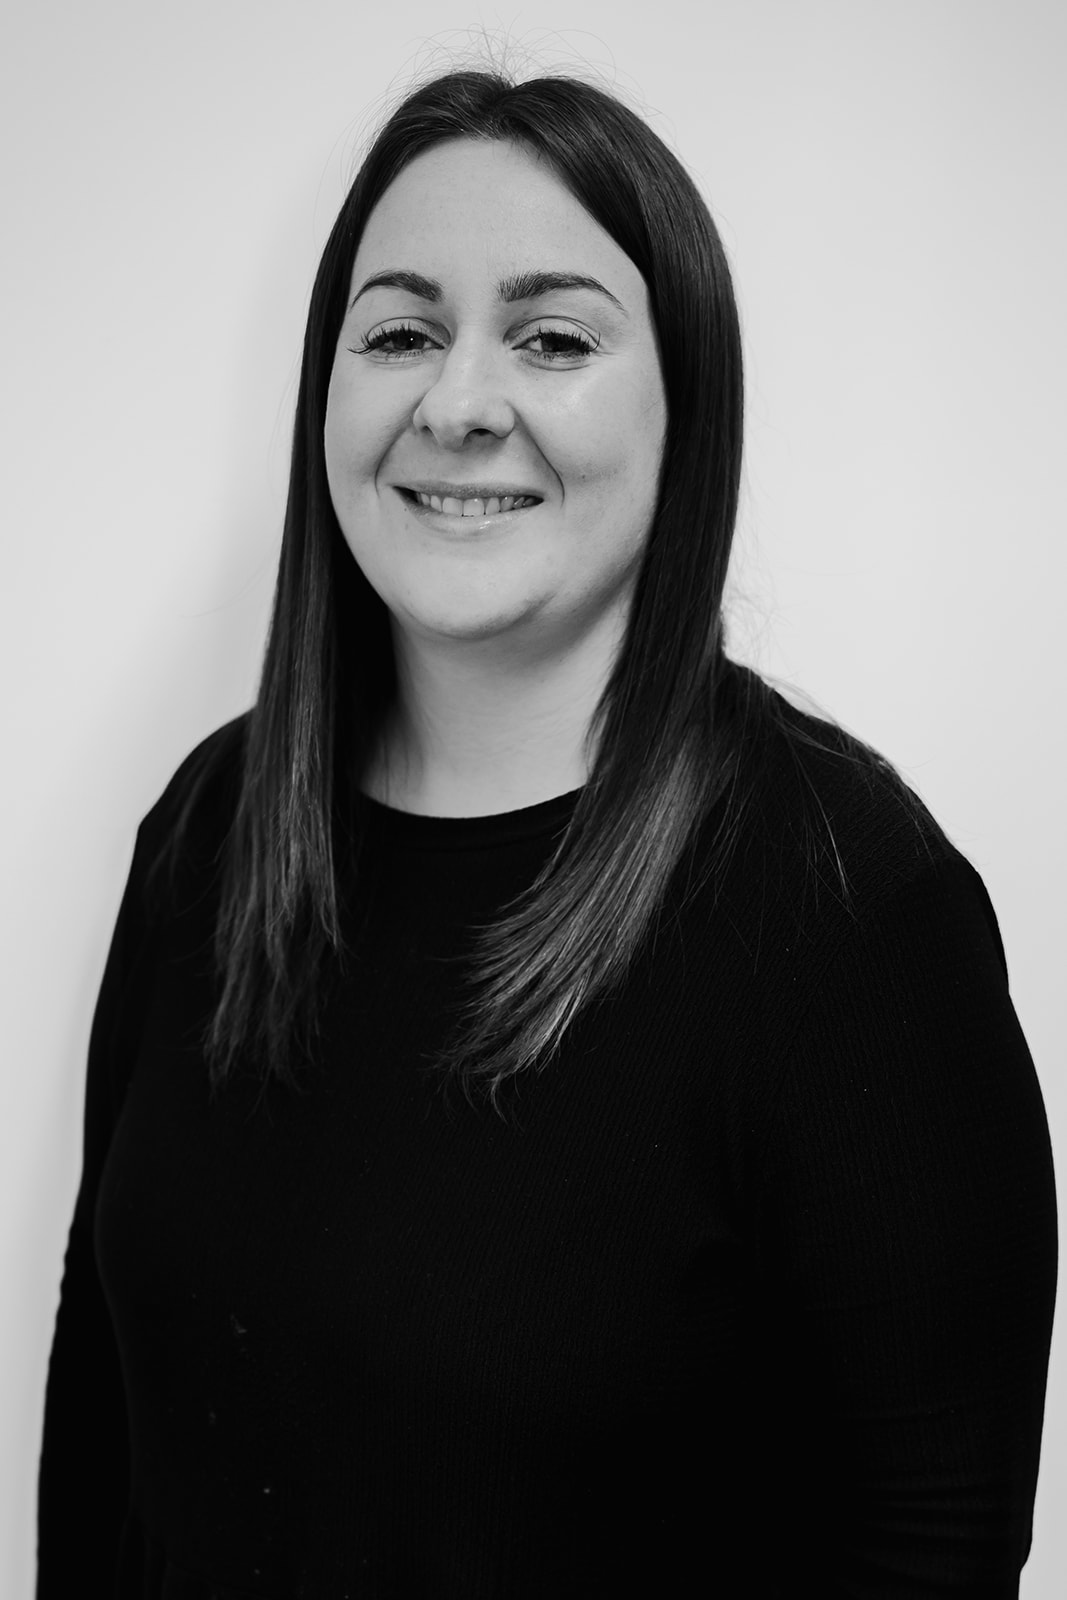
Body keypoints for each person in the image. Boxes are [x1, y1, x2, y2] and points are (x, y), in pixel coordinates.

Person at [37, 65, 1057, 1599]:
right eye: (397, 333)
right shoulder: (210, 830)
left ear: (684, 412)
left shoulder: (852, 911)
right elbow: (101, 1414)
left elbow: (927, 1548)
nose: (457, 401)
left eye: (553, 337)